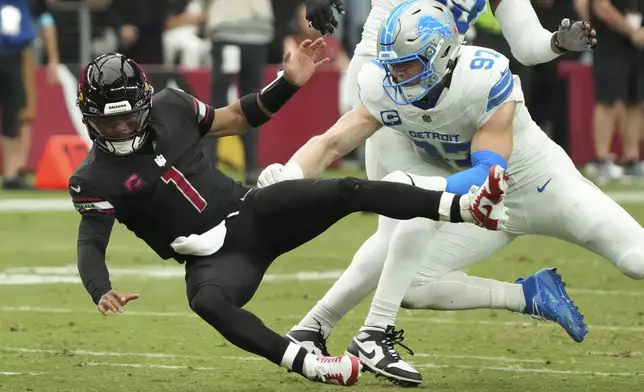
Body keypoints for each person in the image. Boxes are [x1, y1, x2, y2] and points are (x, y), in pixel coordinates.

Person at [68, 39, 509, 386]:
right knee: (207, 302)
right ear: (89, 118)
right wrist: (99, 287)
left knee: (347, 189)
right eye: (110, 124)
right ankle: (310, 364)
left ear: (144, 105)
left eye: (127, 120)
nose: (122, 130)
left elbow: (236, 118)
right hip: (215, 260)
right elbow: (92, 239)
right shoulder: (93, 179)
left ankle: (466, 207)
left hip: (253, 213)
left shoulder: (170, 104)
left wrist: (289, 82)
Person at [258, 1, 613, 386]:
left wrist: (556, 43)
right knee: (402, 221)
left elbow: (527, 46)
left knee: (408, 223)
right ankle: (358, 332)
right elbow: (331, 143)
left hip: (439, 84)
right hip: (392, 78)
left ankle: (322, 329)